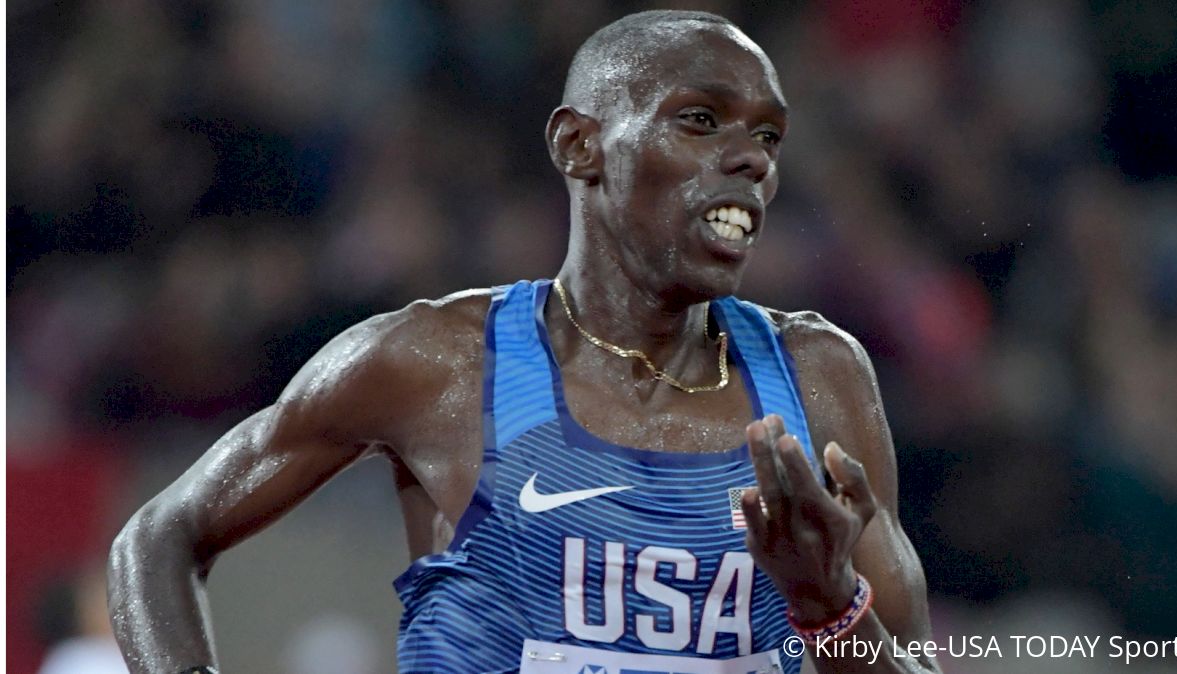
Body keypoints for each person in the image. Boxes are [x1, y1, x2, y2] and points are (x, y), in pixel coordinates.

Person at [108, 10, 941, 674]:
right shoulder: (438, 364)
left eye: (767, 136)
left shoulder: (818, 379)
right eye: (702, 119)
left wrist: (830, 610)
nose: (751, 161)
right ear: (579, 145)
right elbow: (158, 538)